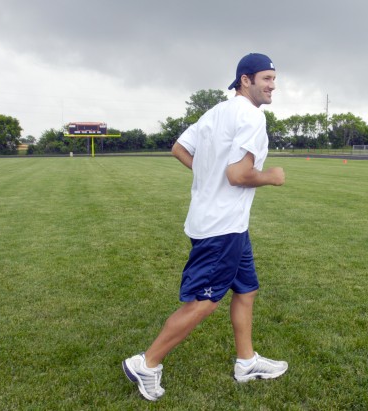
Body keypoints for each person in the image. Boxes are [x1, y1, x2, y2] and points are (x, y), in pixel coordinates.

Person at [122, 53, 288, 401]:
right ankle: (147, 363)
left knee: (246, 290)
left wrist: (206, 174)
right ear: (246, 80)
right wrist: (271, 178)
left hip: (227, 224)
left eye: (274, 78)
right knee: (203, 302)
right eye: (266, 78)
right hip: (221, 227)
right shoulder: (251, 118)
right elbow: (238, 175)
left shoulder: (216, 112)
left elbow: (179, 148)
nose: (273, 85)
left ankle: (246, 361)